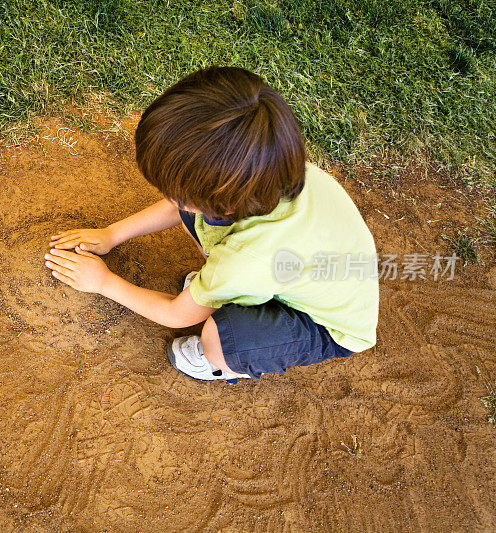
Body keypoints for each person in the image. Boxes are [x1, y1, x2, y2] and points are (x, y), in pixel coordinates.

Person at [44, 66, 378, 383]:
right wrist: (111, 234)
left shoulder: (243, 258)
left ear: (226, 200)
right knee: (202, 223)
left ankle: (226, 362)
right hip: (299, 270)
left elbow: (177, 315)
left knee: (220, 337)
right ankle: (229, 294)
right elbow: (191, 208)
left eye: (178, 194)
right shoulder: (267, 169)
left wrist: (103, 282)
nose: (171, 199)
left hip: (328, 327)